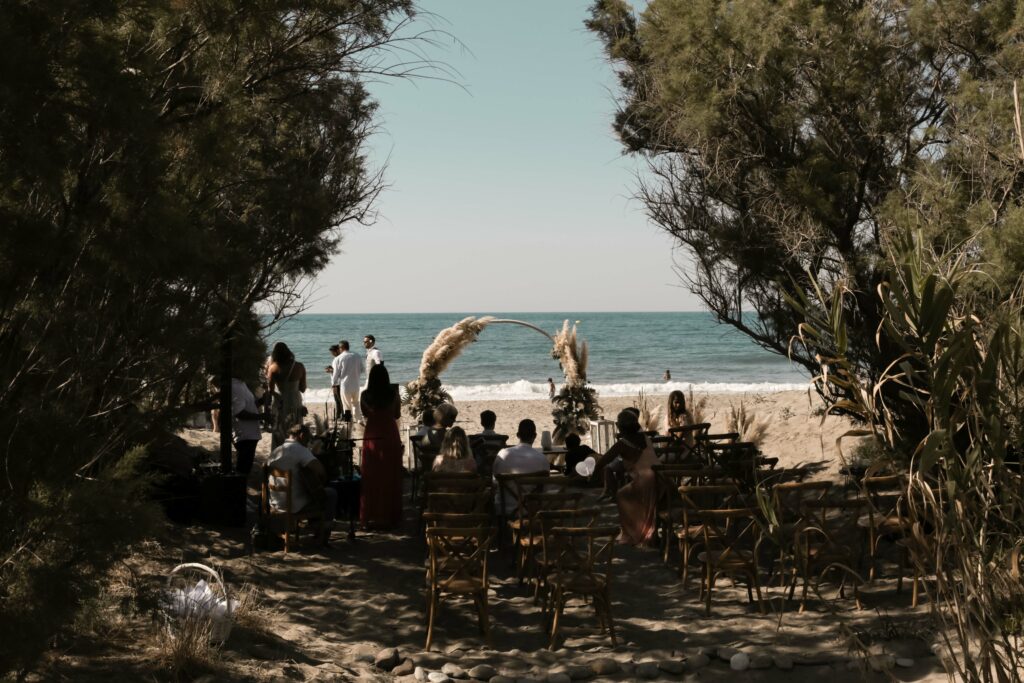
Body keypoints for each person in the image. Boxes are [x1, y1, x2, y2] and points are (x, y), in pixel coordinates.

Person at [267, 423, 336, 543]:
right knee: (331, 493)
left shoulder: (276, 450)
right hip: (294, 505)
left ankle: (315, 525)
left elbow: (266, 467)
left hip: (275, 502)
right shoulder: (300, 450)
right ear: (302, 436)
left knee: (313, 492)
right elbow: (320, 471)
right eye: (308, 439)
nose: (308, 443)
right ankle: (322, 533)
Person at [601, 410, 658, 546]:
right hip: (661, 479)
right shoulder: (644, 438)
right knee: (628, 492)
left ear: (621, 428)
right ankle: (641, 529)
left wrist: (592, 476)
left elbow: (603, 461)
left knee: (621, 495)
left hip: (646, 482)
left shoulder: (623, 443)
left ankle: (631, 532)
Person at [359, 363, 403, 529]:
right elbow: (397, 414)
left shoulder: (365, 395)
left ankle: (369, 516)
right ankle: (391, 516)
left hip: (372, 435)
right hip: (390, 434)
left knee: (371, 475)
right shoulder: (393, 394)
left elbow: (364, 413)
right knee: (390, 473)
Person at [493, 419, 549, 514]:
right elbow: (543, 489)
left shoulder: (502, 454)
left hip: (505, 509)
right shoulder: (542, 459)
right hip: (530, 511)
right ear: (535, 436)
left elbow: (494, 482)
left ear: (518, 435)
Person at [267, 342, 306, 449]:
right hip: (295, 401)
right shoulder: (299, 366)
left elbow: (270, 390)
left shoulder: (273, 368)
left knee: (279, 429)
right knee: (296, 429)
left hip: (280, 402)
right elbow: (303, 388)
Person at [231, 377, 262, 475]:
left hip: (250, 434)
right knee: (243, 470)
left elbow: (248, 406)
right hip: (245, 434)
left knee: (245, 469)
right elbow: (239, 413)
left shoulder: (241, 383)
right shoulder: (236, 386)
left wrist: (261, 401)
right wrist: (262, 416)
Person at [336, 340, 363, 421]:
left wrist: (334, 383)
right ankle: (358, 419)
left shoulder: (339, 358)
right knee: (356, 403)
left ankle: (348, 420)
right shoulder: (357, 356)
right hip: (356, 384)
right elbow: (362, 369)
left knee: (346, 405)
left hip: (345, 385)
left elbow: (336, 373)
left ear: (341, 348)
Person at [326, 345, 343, 415]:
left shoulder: (338, 359)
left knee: (339, 400)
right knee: (337, 400)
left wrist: (331, 371)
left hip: (337, 383)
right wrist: (332, 369)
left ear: (337, 351)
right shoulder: (337, 359)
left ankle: (340, 414)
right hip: (337, 382)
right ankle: (339, 414)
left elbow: (339, 371)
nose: (332, 354)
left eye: (333, 352)